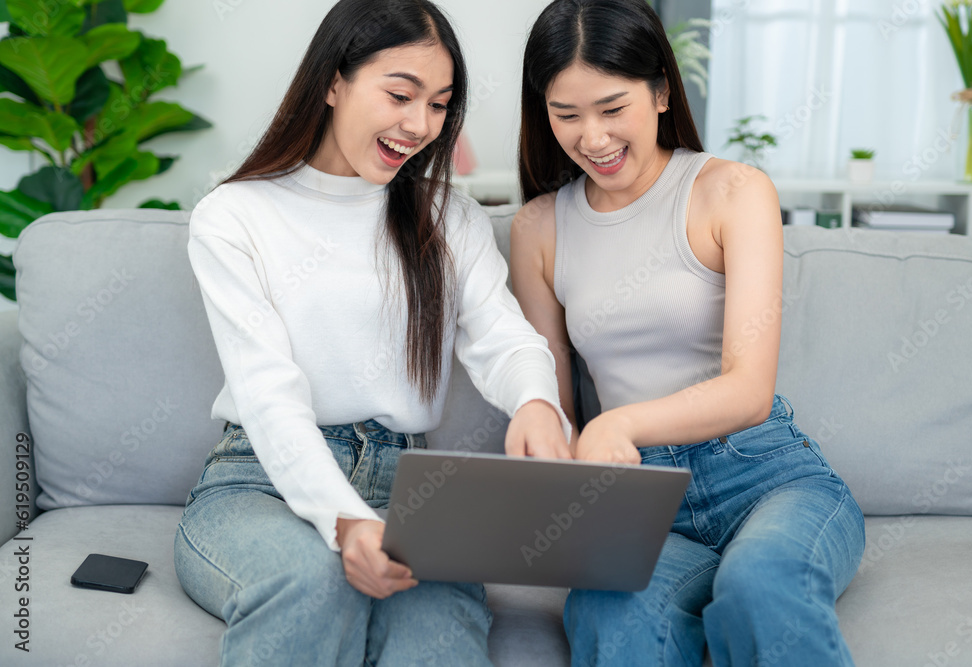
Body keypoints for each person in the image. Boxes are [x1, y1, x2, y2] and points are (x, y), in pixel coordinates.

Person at [174, 1, 572, 664]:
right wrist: (343, 519)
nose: (419, 124)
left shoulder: (449, 216)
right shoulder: (233, 216)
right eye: (399, 94)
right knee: (310, 579)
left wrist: (536, 400)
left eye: (440, 104)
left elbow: (505, 337)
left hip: (409, 489)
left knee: (438, 639)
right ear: (334, 82)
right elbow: (268, 394)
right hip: (259, 482)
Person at [511, 1, 866, 665]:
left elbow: (748, 388)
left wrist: (619, 425)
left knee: (759, 585)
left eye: (612, 108)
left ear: (662, 91)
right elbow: (552, 409)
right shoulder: (537, 228)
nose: (592, 137)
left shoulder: (733, 190)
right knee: (605, 606)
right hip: (639, 501)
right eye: (567, 114)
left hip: (763, 473)